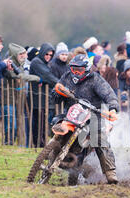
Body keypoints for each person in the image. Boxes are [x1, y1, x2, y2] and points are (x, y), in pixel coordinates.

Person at [53, 54, 120, 184]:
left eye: (80, 70)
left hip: (93, 116)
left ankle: (110, 172)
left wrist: (113, 108)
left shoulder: (96, 79)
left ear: (87, 69)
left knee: (99, 139)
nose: (76, 73)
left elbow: (109, 94)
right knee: (56, 123)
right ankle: (51, 153)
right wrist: (57, 93)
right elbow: (56, 94)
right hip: (71, 114)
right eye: (74, 69)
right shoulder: (67, 77)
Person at [29, 43, 60, 147]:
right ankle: (39, 143)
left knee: (42, 122)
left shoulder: (45, 63)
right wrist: (61, 85)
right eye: (46, 54)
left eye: (51, 55)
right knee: (39, 122)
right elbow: (47, 76)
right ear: (42, 53)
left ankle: (41, 143)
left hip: (43, 98)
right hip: (37, 98)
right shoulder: (36, 62)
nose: (48, 56)